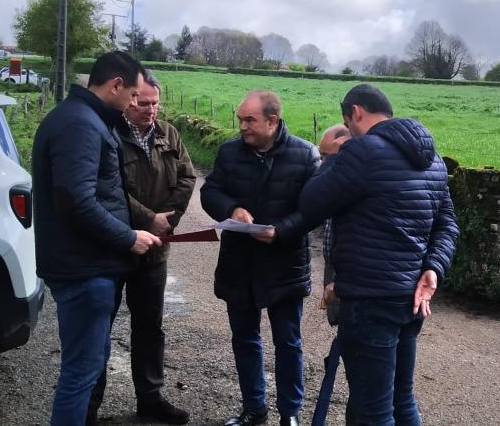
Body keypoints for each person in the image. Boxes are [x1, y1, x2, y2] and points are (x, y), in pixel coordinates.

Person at [299, 84, 459, 426]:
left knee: (372, 411)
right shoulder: (432, 158)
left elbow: (310, 202)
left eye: (349, 122)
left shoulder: (361, 152)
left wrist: (336, 158)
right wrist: (434, 269)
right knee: (402, 400)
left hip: (369, 301)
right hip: (410, 299)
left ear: (355, 113)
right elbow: (447, 226)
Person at [32, 51, 161, 426]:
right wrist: (127, 237)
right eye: (134, 95)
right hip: (84, 270)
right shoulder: (81, 125)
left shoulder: (80, 117)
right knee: (79, 375)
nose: (136, 103)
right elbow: (76, 201)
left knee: (87, 366)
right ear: (116, 85)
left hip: (85, 265)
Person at [200, 90, 320, 426]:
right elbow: (210, 191)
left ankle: (290, 414)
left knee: (288, 342)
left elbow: (314, 212)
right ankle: (254, 409)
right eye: (240, 119)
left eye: (249, 120)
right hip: (239, 264)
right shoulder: (228, 152)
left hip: (285, 265)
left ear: (272, 120)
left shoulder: (306, 155)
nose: (242, 126)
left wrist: (280, 231)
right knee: (245, 339)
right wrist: (230, 209)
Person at [86, 73, 197, 425]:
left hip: (155, 251)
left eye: (155, 103)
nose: (150, 110)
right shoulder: (109, 133)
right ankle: (88, 406)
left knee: (150, 327)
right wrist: (149, 218)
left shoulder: (169, 133)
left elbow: (187, 177)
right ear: (129, 99)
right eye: (143, 102)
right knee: (99, 330)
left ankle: (150, 399)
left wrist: (169, 220)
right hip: (115, 246)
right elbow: (110, 188)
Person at [311, 124, 350, 426]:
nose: (323, 163)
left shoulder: (359, 178)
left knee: (370, 393)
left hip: (355, 291)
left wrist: (340, 282)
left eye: (328, 156)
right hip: (343, 283)